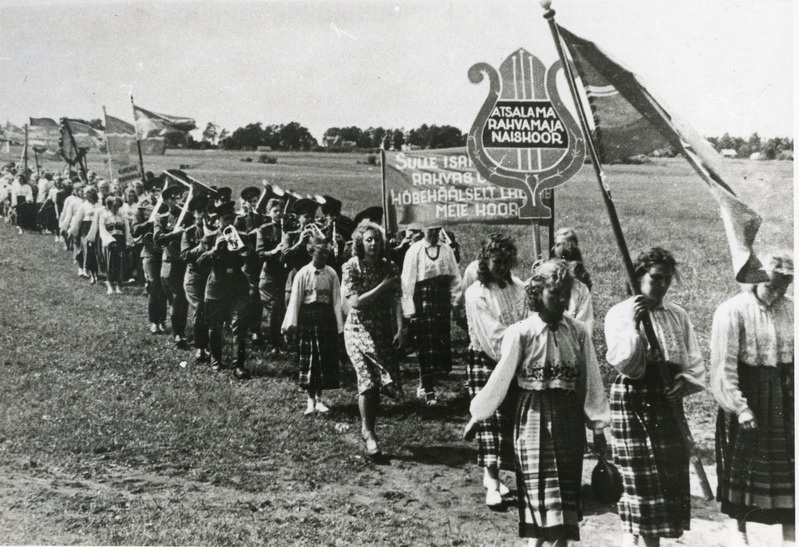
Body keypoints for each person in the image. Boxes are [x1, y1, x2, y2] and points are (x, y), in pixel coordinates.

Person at [469, 259, 610, 546]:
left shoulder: (578, 331)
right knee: (541, 496)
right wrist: (478, 414)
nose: (560, 300)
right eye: (553, 293)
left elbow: (590, 379)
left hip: (568, 420)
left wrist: (597, 425)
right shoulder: (521, 333)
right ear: (537, 293)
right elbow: (501, 378)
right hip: (532, 419)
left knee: (564, 500)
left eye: (565, 293)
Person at [604, 247, 705, 547]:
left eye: (667, 280)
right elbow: (626, 365)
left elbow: (693, 361)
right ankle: (636, 536)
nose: (662, 285)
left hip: (667, 401)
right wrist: (635, 326)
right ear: (639, 277)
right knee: (639, 478)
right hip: (634, 399)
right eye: (656, 278)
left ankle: (643, 536)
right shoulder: (620, 313)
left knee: (665, 475)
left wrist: (684, 383)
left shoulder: (677, 315)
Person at [710, 252, 794, 545]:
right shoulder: (733, 311)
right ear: (758, 279)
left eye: (786, 283)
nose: (779, 289)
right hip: (750, 395)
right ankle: (740, 534)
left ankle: (791, 536)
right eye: (774, 282)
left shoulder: (792, 310)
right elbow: (724, 366)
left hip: (784, 399)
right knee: (744, 467)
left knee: (788, 466)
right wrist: (739, 406)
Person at [463, 234, 527, 509]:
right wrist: (517, 345)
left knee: (509, 419)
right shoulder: (476, 293)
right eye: (496, 262)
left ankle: (503, 476)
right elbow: (492, 336)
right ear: (485, 261)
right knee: (489, 418)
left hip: (515, 360)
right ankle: (491, 478)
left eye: (506, 262)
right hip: (487, 358)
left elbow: (527, 321)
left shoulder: (519, 288)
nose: (501, 267)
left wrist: (522, 351)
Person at [341, 221, 404, 458]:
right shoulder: (351, 267)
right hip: (357, 330)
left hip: (380, 330)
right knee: (367, 378)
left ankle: (369, 427)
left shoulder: (390, 268)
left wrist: (400, 328)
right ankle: (368, 433)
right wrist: (382, 286)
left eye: (377, 240)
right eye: (369, 240)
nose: (374, 244)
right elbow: (355, 302)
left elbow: (396, 298)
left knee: (375, 384)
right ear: (360, 242)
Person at [400, 225, 463, 405]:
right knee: (425, 345)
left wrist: (456, 301)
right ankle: (428, 389)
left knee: (439, 343)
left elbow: (455, 276)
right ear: (423, 230)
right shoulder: (415, 250)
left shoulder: (447, 250)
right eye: (430, 230)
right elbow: (407, 281)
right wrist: (409, 309)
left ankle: (431, 381)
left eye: (437, 230)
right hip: (423, 302)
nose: (434, 234)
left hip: (441, 302)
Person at [282, 233, 343, 415]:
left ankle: (319, 399)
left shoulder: (331, 273)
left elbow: (336, 301)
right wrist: (290, 325)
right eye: (319, 253)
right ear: (310, 252)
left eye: (326, 253)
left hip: (325, 320)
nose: (323, 257)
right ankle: (309, 401)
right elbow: (295, 300)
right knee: (310, 361)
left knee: (322, 360)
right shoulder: (302, 273)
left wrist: (340, 327)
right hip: (308, 320)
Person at [197, 201, 251, 380]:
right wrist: (214, 250)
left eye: (232, 218)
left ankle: (239, 365)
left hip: (237, 285)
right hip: (216, 285)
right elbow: (200, 262)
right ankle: (216, 360)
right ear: (218, 220)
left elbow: (248, 256)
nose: (229, 222)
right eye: (225, 219)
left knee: (240, 326)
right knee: (214, 326)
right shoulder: (210, 237)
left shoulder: (242, 235)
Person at [154, 183, 191, 349]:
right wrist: (173, 234)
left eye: (179, 197)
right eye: (174, 198)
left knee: (183, 300)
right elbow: (157, 240)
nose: (178, 200)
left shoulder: (188, 216)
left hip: (185, 263)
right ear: (167, 201)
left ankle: (181, 331)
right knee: (177, 299)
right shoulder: (161, 218)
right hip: (170, 262)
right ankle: (178, 334)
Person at [132, 176, 167, 334]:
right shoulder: (142, 207)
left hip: (165, 251)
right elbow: (134, 230)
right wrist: (149, 223)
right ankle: (154, 320)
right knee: (153, 284)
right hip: (149, 252)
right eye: (152, 190)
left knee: (164, 286)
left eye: (159, 190)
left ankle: (162, 320)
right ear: (148, 191)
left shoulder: (167, 206)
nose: (155, 193)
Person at [181, 195, 213, 364]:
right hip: (194, 277)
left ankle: (209, 345)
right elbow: (185, 255)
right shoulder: (188, 232)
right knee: (199, 308)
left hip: (210, 277)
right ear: (194, 214)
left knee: (210, 310)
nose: (203, 214)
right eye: (199, 211)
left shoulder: (215, 229)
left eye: (205, 211)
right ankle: (200, 348)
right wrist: (202, 244)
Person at [234, 186, 266, 348]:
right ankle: (242, 327)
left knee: (258, 297)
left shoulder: (261, 217)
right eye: (251, 201)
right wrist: (251, 234)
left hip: (259, 261)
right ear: (245, 203)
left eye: (256, 201)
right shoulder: (239, 219)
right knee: (247, 296)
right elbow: (235, 238)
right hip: (246, 262)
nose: (254, 204)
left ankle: (256, 329)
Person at [256, 198, 288, 355]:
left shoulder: (288, 229)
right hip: (268, 277)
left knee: (281, 309)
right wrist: (275, 251)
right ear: (269, 213)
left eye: (281, 211)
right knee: (274, 308)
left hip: (283, 276)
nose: (279, 214)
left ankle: (279, 341)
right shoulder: (263, 230)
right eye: (275, 211)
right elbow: (260, 254)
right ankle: (273, 343)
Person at [96, 195, 131, 294]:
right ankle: (110, 284)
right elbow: (102, 230)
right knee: (110, 264)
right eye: (114, 206)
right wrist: (110, 241)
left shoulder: (123, 216)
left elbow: (127, 230)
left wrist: (128, 242)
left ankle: (119, 285)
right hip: (109, 243)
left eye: (118, 206)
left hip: (120, 241)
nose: (116, 208)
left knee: (120, 263)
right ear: (109, 206)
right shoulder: (104, 216)